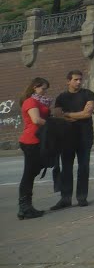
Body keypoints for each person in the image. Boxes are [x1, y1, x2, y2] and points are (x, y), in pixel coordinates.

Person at [51, 70, 94, 209]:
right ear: (68, 81)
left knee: (83, 167)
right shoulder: (61, 97)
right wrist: (77, 114)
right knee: (66, 168)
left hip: (84, 136)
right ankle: (65, 198)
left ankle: (82, 197)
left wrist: (68, 114)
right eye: (75, 79)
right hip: (66, 137)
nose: (78, 82)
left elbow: (87, 114)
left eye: (80, 79)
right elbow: (58, 115)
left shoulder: (88, 94)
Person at [18, 77, 51, 220]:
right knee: (28, 174)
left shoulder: (39, 101)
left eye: (45, 89)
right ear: (35, 87)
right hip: (30, 140)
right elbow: (36, 120)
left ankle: (26, 207)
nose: (44, 92)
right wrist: (53, 125)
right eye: (43, 88)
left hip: (38, 141)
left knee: (32, 172)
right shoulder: (30, 101)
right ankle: (24, 207)